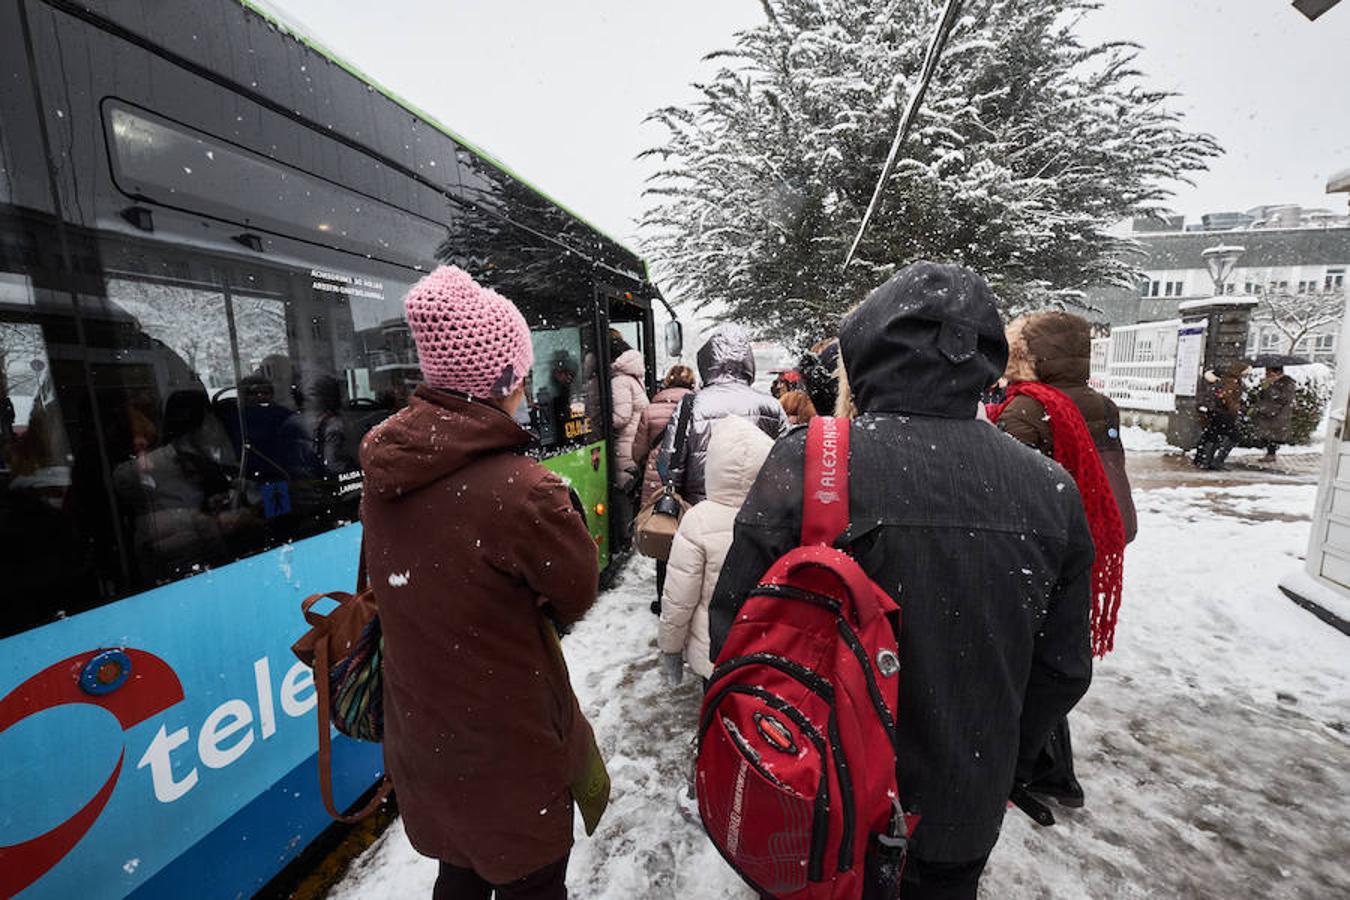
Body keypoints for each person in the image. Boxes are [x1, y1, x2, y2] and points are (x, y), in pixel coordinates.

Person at [708, 263, 1094, 900]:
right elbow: (1063, 668)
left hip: (819, 790)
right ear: (985, 361)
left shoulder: (810, 460)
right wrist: (995, 757)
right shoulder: (1051, 488)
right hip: (960, 808)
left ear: (864, 356)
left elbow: (737, 627)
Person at [359, 266, 602, 900]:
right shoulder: (527, 492)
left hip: (424, 737)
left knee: (459, 872)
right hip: (510, 749)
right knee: (532, 882)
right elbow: (577, 593)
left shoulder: (384, 471)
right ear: (505, 380)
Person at [988, 310, 1138, 810]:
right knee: (1055, 659)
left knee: (1029, 666)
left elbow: (1005, 492)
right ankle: (1053, 772)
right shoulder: (1103, 404)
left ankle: (1025, 769)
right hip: (1088, 544)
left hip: (1038, 553)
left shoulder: (1027, 410)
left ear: (1027, 356)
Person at [658, 415, 773, 686]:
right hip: (763, 650)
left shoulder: (698, 520)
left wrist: (670, 648)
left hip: (713, 651)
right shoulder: (776, 519)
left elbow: (679, 597)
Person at [657, 324, 786, 505]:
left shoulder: (691, 405)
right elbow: (786, 463)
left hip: (702, 509)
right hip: (758, 512)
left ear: (707, 361)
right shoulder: (771, 406)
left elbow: (670, 463)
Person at [632, 364, 697, 613]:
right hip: (686, 479)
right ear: (691, 383)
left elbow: (637, 450)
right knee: (688, 541)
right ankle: (685, 598)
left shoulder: (650, 410)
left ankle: (663, 599)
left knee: (663, 536)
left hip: (658, 480)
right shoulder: (696, 406)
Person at [1194, 362, 1248, 471]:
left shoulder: (1223, 381)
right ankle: (1215, 461)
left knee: (1212, 436)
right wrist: (1236, 408)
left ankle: (1205, 461)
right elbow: (1227, 398)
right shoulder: (1230, 382)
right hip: (1223, 414)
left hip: (1215, 413)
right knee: (1233, 436)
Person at [1252, 365, 1297, 460]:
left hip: (1278, 413)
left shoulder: (1287, 382)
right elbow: (1263, 395)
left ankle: (1271, 454)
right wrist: (1265, 386)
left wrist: (1271, 387)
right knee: (1267, 434)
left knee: (1273, 435)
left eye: (1268, 372)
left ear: (1276, 372)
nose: (1266, 374)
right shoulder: (1271, 382)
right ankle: (1269, 454)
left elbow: (1283, 398)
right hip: (1268, 411)